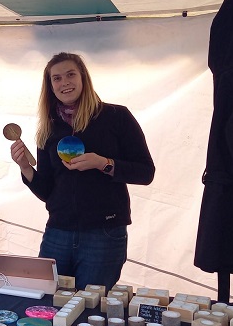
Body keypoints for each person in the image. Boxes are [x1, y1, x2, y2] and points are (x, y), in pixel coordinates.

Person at [10, 52, 155, 290]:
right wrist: (26, 168)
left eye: (70, 75)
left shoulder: (116, 117)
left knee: (89, 309)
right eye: (56, 78)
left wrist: (103, 163)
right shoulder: (48, 128)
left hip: (104, 233)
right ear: (50, 86)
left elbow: (145, 172)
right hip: (58, 231)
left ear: (83, 78)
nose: (64, 82)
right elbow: (48, 191)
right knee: (44, 302)